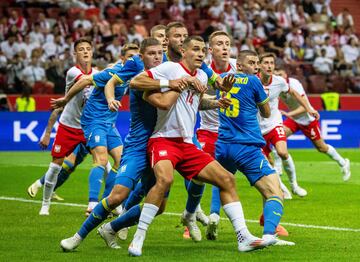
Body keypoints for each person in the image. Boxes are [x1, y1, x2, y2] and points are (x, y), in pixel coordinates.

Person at [127, 36, 267, 257]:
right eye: (196, 49)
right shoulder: (170, 68)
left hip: (187, 144)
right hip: (163, 139)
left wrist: (215, 102)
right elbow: (135, 82)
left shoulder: (202, 75)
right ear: (183, 51)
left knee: (227, 179)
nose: (201, 54)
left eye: (203, 50)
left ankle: (243, 237)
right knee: (165, 180)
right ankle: (138, 237)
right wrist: (171, 83)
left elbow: (193, 102)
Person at [58, 38, 190, 252]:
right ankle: (77, 237)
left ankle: (111, 227)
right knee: (118, 195)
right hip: (138, 145)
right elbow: (111, 82)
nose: (157, 57)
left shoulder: (168, 67)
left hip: (161, 145)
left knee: (158, 207)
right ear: (141, 56)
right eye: (152, 53)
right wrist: (110, 99)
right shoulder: (135, 68)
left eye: (160, 53)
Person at [38, 38, 95, 215]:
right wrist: (47, 133)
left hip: (88, 127)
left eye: (88, 49)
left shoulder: (97, 72)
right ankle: (45, 204)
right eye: (81, 49)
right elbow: (86, 81)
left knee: (104, 163)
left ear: (92, 52)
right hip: (68, 127)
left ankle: (102, 204)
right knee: (55, 167)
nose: (85, 52)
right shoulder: (72, 72)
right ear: (75, 54)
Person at [257, 52, 319, 198]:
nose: (269, 66)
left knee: (282, 152)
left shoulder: (279, 81)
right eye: (266, 63)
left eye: (271, 63)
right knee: (268, 163)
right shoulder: (253, 82)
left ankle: (294, 185)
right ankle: (282, 188)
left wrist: (309, 108)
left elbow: (295, 93)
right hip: (257, 128)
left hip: (274, 123)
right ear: (259, 65)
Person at [274, 66, 351, 181]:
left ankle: (343, 162)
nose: (278, 77)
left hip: (307, 120)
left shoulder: (294, 84)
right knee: (278, 138)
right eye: (276, 75)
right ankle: (278, 170)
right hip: (294, 119)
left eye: (280, 74)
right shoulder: (277, 86)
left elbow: (306, 107)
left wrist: (289, 114)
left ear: (286, 74)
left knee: (321, 147)